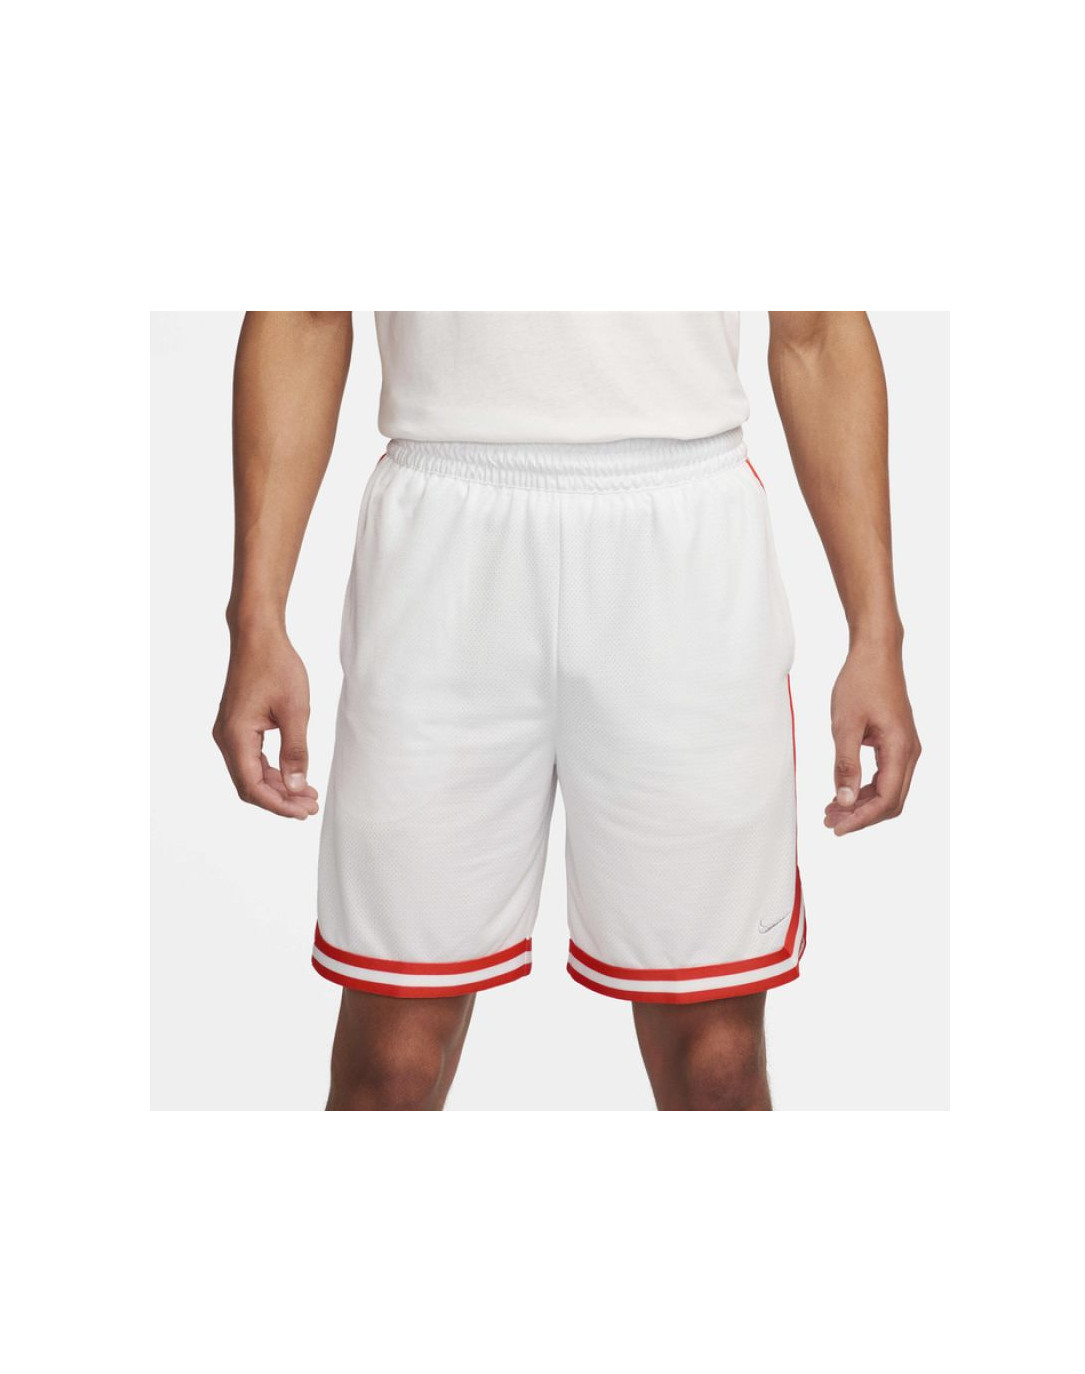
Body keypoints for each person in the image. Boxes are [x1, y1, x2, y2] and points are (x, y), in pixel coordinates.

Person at [213, 312, 920, 1111]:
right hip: (444, 535)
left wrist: (877, 633)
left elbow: (817, 330)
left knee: (716, 1066)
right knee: (390, 1066)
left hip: (682, 534)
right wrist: (256, 618)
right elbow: (302, 314)